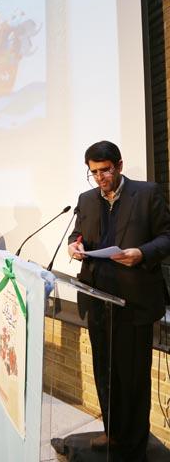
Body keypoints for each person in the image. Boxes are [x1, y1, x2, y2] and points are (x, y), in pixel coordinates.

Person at [68, 141, 170, 462]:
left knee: (133, 378)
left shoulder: (147, 193)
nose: (100, 178)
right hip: (98, 300)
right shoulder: (86, 199)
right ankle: (113, 433)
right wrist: (74, 246)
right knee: (105, 372)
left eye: (105, 170)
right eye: (94, 172)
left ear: (119, 166)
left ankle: (134, 446)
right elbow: (77, 234)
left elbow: (167, 236)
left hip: (134, 304)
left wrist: (142, 253)